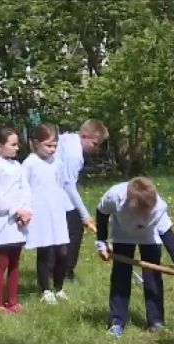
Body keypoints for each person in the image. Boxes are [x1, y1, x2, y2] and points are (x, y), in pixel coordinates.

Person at [94, 177, 174, 337]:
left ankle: (156, 321)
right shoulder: (115, 196)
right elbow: (102, 212)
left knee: (153, 277)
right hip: (123, 234)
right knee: (120, 275)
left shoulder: (159, 207)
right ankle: (117, 321)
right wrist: (101, 242)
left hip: (150, 234)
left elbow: (167, 234)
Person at [0, 126, 32, 312]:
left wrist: (26, 211)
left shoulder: (17, 166)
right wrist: (15, 210)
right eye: (13, 144)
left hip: (19, 221)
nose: (17, 148)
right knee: (2, 261)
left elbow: (26, 189)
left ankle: (12, 300)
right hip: (4, 220)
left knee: (15, 262)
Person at [23, 123, 71, 304]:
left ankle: (59, 287)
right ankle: (45, 289)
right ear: (36, 143)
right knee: (45, 252)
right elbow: (25, 189)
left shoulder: (57, 162)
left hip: (57, 212)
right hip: (40, 214)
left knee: (63, 252)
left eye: (55, 146)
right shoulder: (29, 164)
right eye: (48, 145)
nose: (52, 150)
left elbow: (61, 185)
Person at [56, 119, 108, 281]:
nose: (96, 148)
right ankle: (65, 271)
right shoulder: (75, 155)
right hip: (56, 194)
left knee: (66, 231)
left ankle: (58, 268)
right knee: (75, 229)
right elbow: (68, 185)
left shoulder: (69, 139)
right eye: (94, 144)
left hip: (56, 192)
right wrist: (84, 214)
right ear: (84, 136)